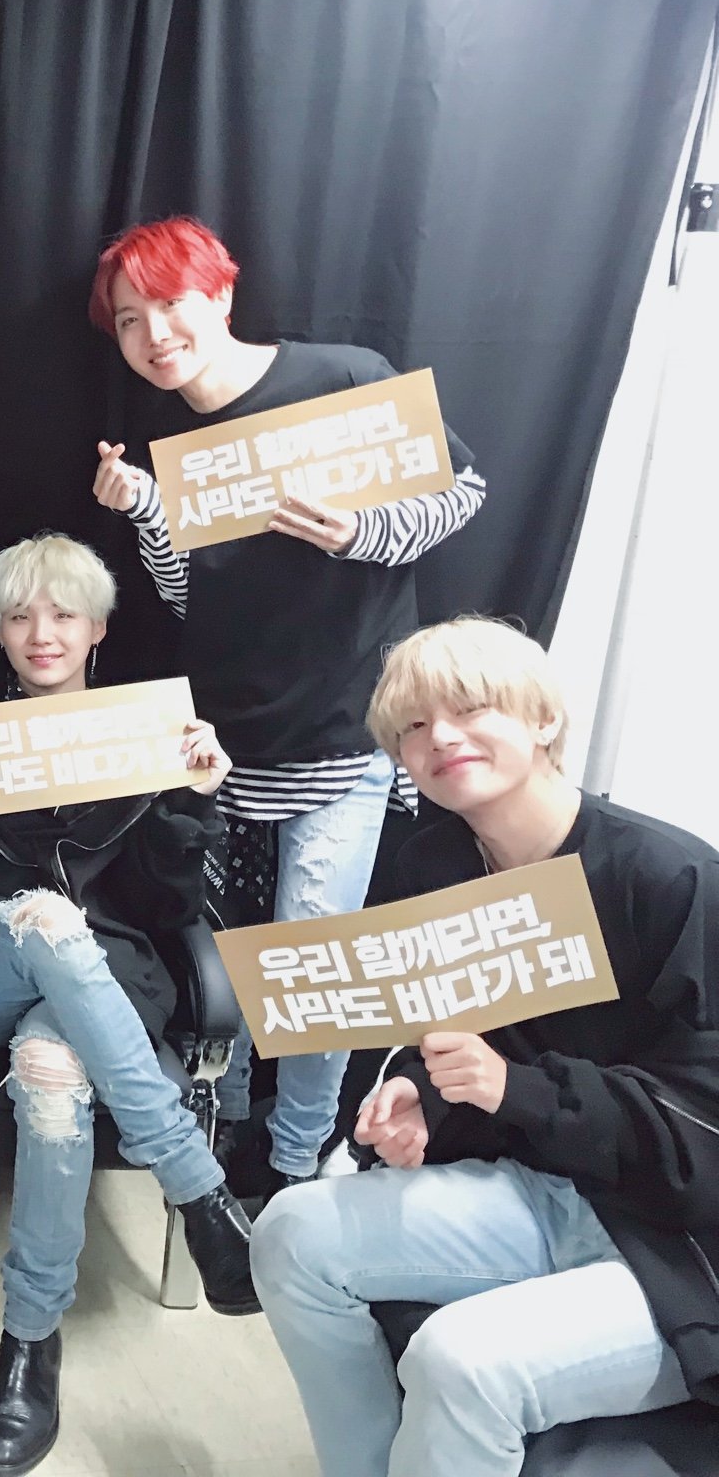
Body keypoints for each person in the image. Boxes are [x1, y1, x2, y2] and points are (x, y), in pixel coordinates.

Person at [251, 617, 718, 1476]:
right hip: (544, 1192)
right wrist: (424, 1101)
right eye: (413, 726)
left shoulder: (672, 879)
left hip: (683, 1243)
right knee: (289, 1233)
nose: (440, 738)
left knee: (460, 1361)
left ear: (544, 720)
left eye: (470, 709)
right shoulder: (434, 866)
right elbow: (454, 1040)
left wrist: (517, 1090)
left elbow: (704, 1128)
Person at [88, 215, 489, 1197]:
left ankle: (294, 1159)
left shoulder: (341, 377)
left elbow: (464, 491)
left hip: (340, 728)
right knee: (229, 961)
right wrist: (144, 511)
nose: (154, 335)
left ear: (220, 294)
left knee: (317, 968)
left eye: (171, 304)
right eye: (130, 320)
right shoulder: (179, 443)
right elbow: (187, 594)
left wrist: (358, 533)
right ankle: (227, 1134)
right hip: (224, 739)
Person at [0, 534, 258, 1474]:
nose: (42, 633)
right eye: (20, 616)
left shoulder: (144, 729)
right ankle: (198, 1185)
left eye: (63, 614)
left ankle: (29, 1343)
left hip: (108, 977)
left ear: (99, 628)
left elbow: (170, 910)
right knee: (46, 915)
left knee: (51, 1069)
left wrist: (194, 801)